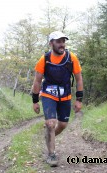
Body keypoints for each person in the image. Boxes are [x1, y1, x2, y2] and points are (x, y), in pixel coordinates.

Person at [31, 31, 83, 167]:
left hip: (65, 95)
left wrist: (79, 99)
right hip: (48, 94)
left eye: (63, 41)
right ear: (51, 43)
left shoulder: (71, 58)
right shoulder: (45, 59)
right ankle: (51, 154)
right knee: (50, 123)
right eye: (58, 41)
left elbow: (79, 79)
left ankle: (49, 137)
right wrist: (35, 101)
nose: (62, 44)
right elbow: (37, 81)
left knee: (63, 125)